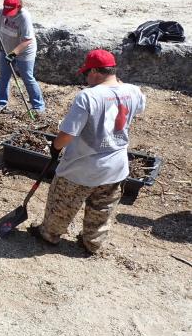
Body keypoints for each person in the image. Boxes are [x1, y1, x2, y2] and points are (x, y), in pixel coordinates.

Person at [29, 50, 145, 254]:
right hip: (116, 166)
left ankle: (49, 235)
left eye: (87, 73)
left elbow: (67, 134)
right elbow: (136, 108)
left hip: (82, 167)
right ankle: (93, 242)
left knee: (62, 203)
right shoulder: (134, 91)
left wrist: (55, 148)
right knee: (102, 208)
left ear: (95, 72)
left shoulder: (88, 96)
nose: (86, 78)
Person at [0, 0, 45, 113]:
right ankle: (1, 103)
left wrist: (13, 54)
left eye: (11, 11)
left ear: (19, 6)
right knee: (4, 76)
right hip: (6, 49)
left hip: (24, 51)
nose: (8, 13)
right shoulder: (0, 12)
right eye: (6, 10)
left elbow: (27, 40)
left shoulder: (24, 16)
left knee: (27, 78)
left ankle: (38, 107)